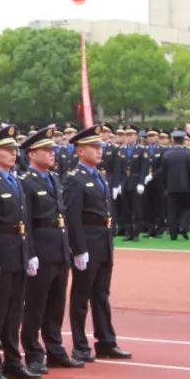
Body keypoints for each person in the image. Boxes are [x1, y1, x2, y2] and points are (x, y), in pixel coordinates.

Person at [0, 125, 41, 379]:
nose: (13, 154)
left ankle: (13, 360)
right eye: (6, 150)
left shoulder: (15, 180)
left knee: (15, 310)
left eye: (14, 149)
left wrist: (30, 253)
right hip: (1, 253)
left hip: (18, 252)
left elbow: (25, 222)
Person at [64, 126, 131, 361]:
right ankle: (80, 345)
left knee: (101, 294)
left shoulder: (98, 176)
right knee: (81, 296)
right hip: (88, 243)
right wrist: (78, 249)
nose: (99, 151)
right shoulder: (75, 179)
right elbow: (72, 217)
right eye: (94, 147)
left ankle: (106, 341)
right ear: (80, 151)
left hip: (103, 242)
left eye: (100, 146)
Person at [20, 126, 82, 369]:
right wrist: (31, 253)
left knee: (56, 304)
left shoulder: (54, 178)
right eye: (46, 150)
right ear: (32, 154)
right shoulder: (27, 182)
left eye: (53, 150)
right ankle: (33, 352)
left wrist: (69, 248)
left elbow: (61, 216)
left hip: (59, 248)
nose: (52, 153)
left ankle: (55, 349)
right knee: (36, 304)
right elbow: (26, 223)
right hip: (41, 248)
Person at [157, 129, 190, 240]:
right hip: (186, 187)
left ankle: (173, 234)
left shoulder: (167, 155)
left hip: (171, 187)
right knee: (187, 208)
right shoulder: (189, 154)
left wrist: (164, 186)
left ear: (173, 141)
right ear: (183, 141)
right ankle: (183, 226)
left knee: (172, 211)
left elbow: (163, 173)